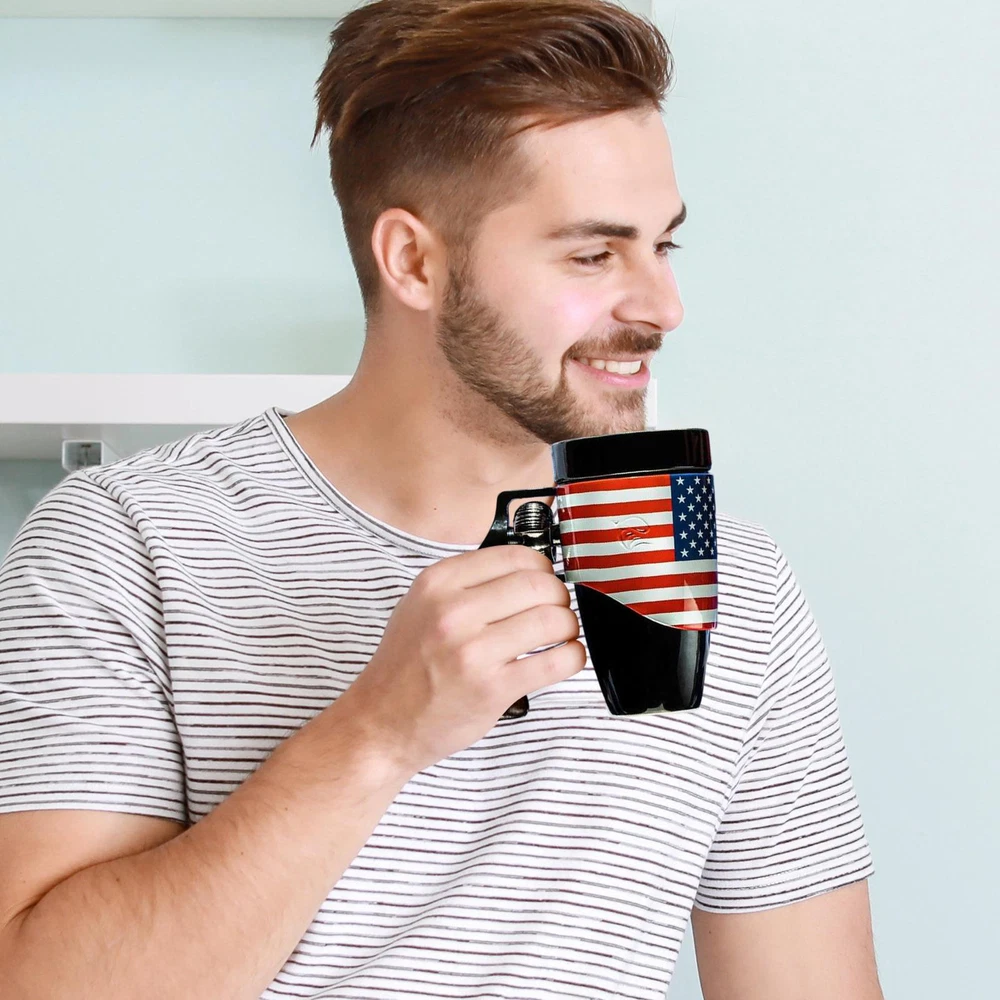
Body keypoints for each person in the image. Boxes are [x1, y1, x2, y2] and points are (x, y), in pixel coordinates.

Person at [0, 2, 882, 997]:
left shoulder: (736, 585)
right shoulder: (127, 542)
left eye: (661, 247)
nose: (661, 307)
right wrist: (378, 734)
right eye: (593, 254)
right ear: (414, 261)